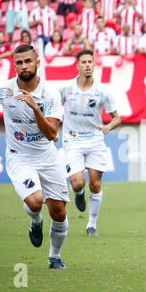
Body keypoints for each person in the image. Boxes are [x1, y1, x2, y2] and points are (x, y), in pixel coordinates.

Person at [0, 44, 70, 269]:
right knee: (36, 202)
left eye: (28, 61)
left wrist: (36, 108)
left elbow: (51, 134)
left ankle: (54, 257)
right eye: (19, 62)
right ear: (14, 65)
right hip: (19, 157)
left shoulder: (50, 94)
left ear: (38, 62)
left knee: (59, 211)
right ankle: (35, 221)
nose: (24, 66)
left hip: (47, 156)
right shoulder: (4, 90)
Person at [59, 49, 121, 237]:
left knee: (95, 183)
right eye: (83, 62)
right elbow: (52, 110)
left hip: (95, 141)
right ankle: (78, 194)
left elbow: (117, 118)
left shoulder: (103, 92)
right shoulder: (66, 89)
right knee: (78, 184)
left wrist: (110, 125)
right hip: (72, 140)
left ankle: (91, 225)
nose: (87, 65)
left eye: (90, 62)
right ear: (77, 65)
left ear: (94, 64)